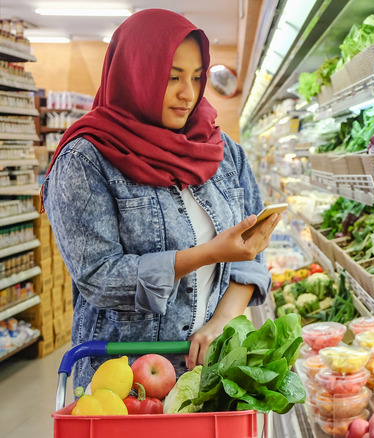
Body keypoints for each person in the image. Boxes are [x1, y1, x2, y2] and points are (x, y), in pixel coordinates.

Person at [42, 9, 280, 390]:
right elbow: (99, 277)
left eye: (197, 77)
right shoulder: (86, 159)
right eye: (172, 78)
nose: (188, 94)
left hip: (210, 375)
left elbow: (253, 255)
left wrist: (222, 321)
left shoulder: (222, 152)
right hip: (124, 381)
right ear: (136, 74)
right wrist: (209, 253)